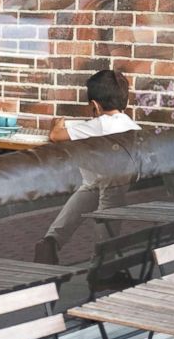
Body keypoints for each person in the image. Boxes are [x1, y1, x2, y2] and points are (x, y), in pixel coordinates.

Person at [33, 69, 140, 265]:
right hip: (118, 176)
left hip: (109, 176)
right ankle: (101, 263)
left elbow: (56, 135)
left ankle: (55, 242)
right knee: (94, 192)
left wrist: (59, 122)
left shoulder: (99, 124)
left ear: (95, 106)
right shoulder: (129, 123)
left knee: (103, 205)